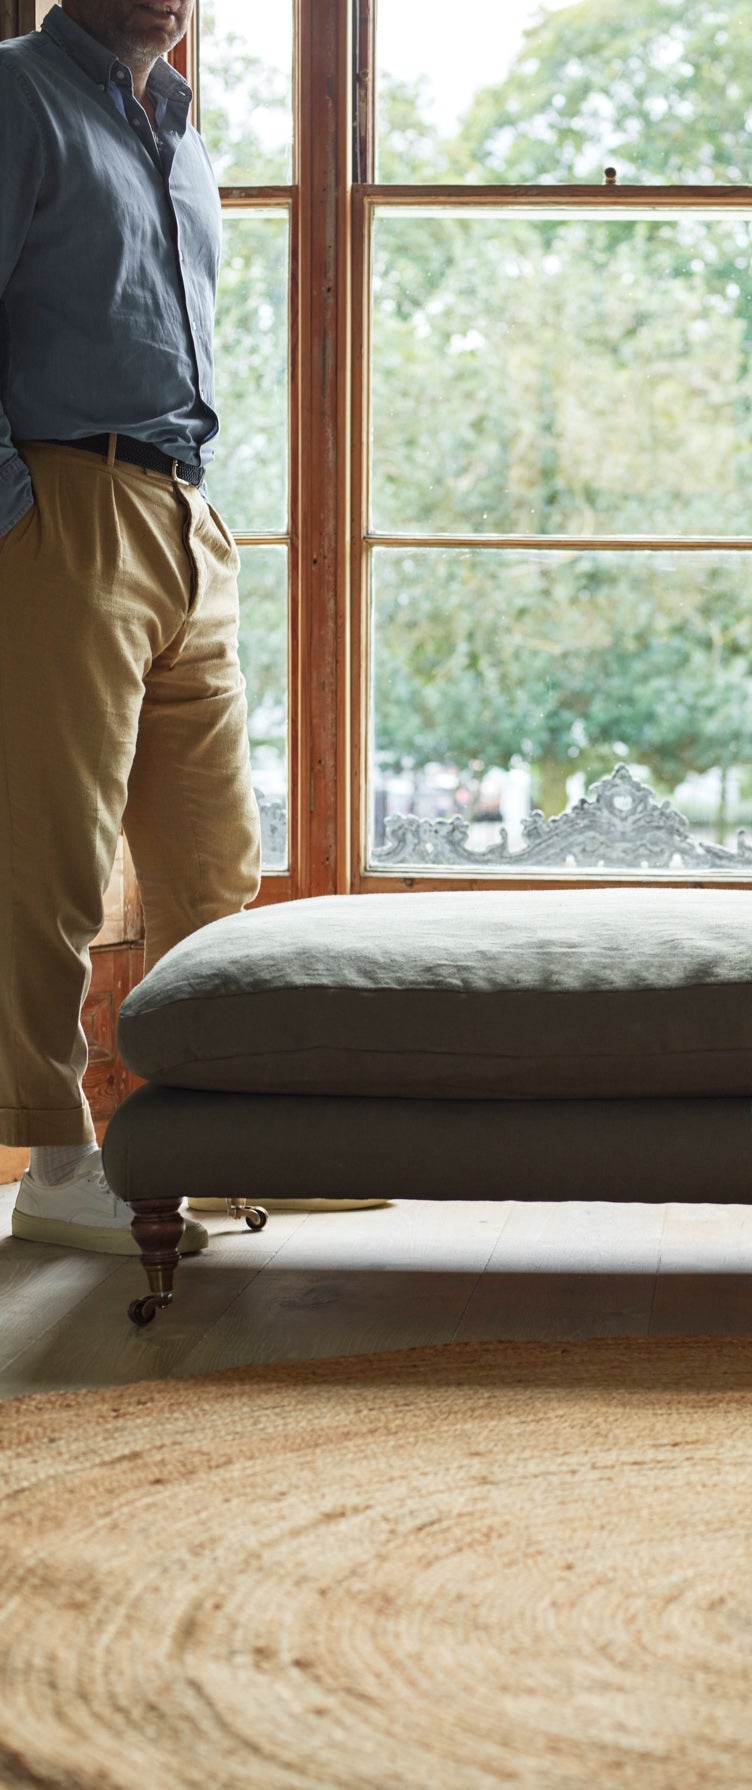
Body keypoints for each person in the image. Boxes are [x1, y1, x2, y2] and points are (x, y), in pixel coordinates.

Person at [0, 2, 372, 1254]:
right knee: (46, 859)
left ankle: (218, 1144)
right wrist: (20, 520)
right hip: (64, 504)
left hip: (182, 508)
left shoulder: (177, 127)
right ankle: (56, 1162)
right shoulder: (15, 95)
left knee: (214, 861)